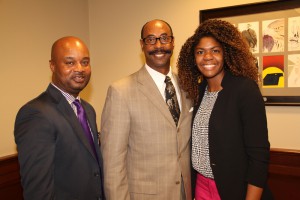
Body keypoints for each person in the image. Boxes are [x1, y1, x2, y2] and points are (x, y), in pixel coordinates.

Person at [177, 19, 273, 200]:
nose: (207, 57)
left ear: (226, 53)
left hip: (235, 189)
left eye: (215, 50)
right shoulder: (197, 92)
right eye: (200, 52)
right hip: (201, 187)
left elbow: (259, 156)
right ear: (193, 58)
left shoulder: (245, 89)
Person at [100, 19, 193, 200]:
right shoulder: (121, 91)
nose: (158, 45)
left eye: (164, 38)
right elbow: (113, 164)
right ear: (142, 45)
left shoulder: (187, 87)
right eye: (151, 39)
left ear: (173, 42)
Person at [14, 36, 105, 200]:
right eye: (70, 63)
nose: (80, 68)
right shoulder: (35, 114)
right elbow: (38, 191)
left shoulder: (88, 109)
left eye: (85, 62)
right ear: (52, 66)